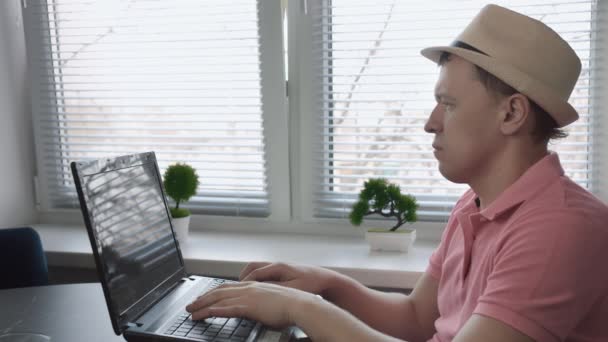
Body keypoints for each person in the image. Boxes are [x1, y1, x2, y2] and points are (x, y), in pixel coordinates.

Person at [187, 5, 608, 341]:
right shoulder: (475, 204)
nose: (431, 122)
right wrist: (328, 284)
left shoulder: (561, 228)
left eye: (450, 104)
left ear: (512, 112)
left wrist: (301, 308)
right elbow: (416, 318)